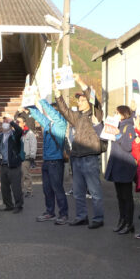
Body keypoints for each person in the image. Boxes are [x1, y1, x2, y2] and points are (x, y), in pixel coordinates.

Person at [54, 74, 105, 229]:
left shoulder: (96, 113)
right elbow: (64, 111)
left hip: (90, 157)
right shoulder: (77, 116)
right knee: (78, 192)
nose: (80, 102)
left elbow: (93, 99)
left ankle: (98, 218)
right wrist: (58, 95)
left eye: (83, 100)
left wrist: (80, 81)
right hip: (76, 157)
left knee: (95, 192)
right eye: (79, 100)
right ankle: (81, 216)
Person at [26, 99, 69, 225]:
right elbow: (38, 116)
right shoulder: (49, 124)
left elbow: (52, 113)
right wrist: (29, 103)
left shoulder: (61, 123)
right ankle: (50, 211)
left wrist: (40, 99)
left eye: (52, 111)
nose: (48, 113)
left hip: (56, 162)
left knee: (57, 188)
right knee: (47, 189)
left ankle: (63, 214)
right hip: (47, 161)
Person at [104, 105, 137, 234]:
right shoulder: (117, 125)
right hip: (117, 165)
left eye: (116, 113)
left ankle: (129, 223)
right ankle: (122, 220)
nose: (115, 115)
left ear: (123, 114)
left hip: (125, 166)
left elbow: (128, 147)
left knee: (127, 197)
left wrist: (118, 136)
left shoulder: (128, 127)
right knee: (120, 197)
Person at [0, 114, 24, 213]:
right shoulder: (0, 135)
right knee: (4, 187)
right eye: (4, 122)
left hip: (13, 165)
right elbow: (0, 150)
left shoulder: (14, 135)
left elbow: (20, 131)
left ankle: (18, 205)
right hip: (3, 165)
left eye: (7, 122)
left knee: (16, 187)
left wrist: (12, 122)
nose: (5, 124)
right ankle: (8, 205)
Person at [17, 114, 37, 198]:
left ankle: (29, 191)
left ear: (24, 123)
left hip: (26, 157)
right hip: (17, 158)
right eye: (16, 122)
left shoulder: (29, 133)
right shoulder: (16, 133)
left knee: (25, 174)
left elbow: (33, 144)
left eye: (19, 122)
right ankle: (20, 191)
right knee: (19, 175)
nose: (17, 123)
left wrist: (32, 155)